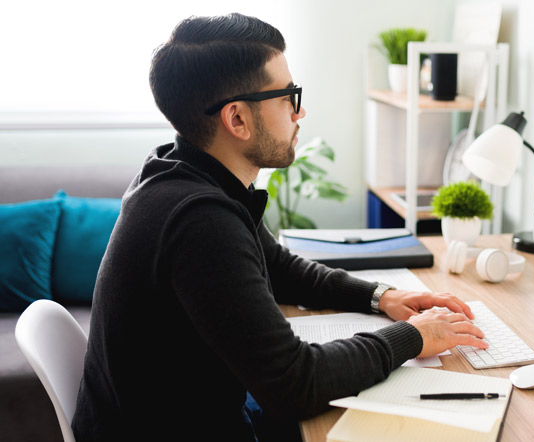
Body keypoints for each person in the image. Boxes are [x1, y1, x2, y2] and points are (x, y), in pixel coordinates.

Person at [71, 13, 488, 442]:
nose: (300, 110)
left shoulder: (183, 172)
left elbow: (279, 266)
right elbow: (295, 385)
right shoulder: (198, 220)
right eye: (289, 96)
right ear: (237, 119)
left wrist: (383, 297)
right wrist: (413, 338)